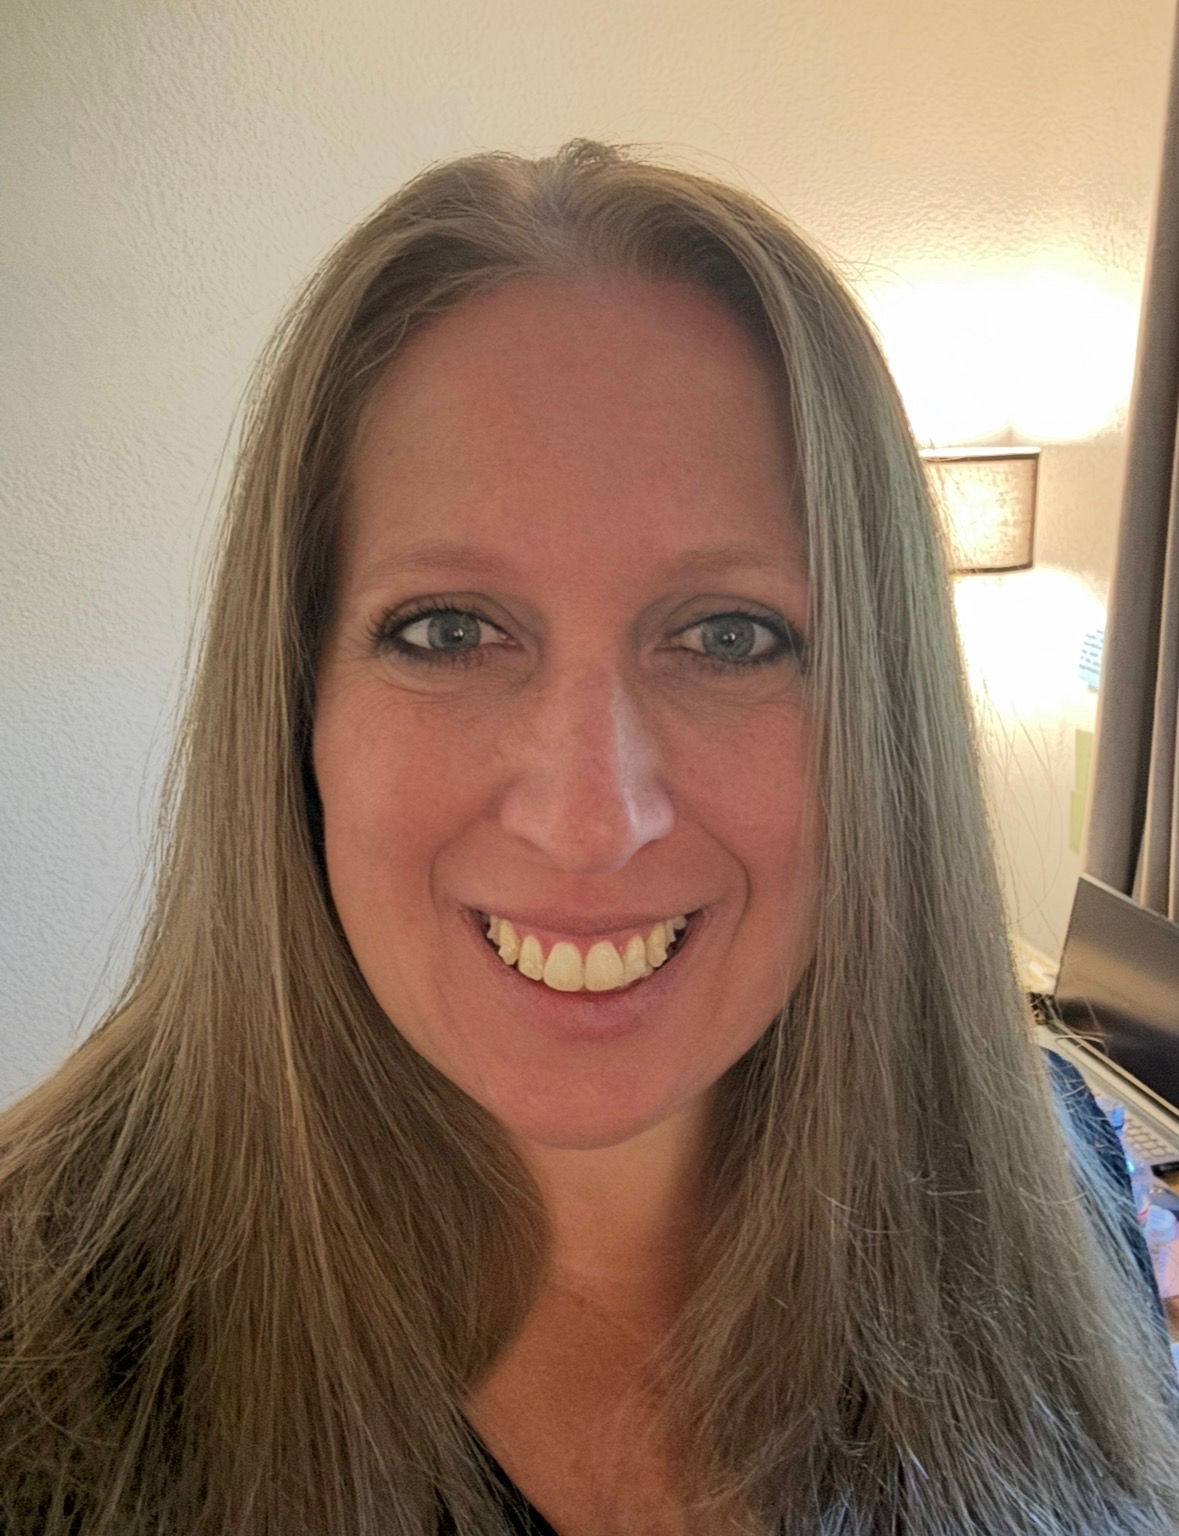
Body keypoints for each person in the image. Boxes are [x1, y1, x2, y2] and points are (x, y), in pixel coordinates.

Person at [0, 141, 1175, 1536]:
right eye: (448, 631)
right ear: (298, 703)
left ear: (882, 718)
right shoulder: (45, 1357)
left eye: (729, 637)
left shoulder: (1048, 1179)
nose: (590, 816)